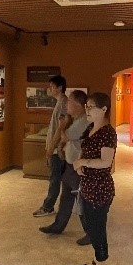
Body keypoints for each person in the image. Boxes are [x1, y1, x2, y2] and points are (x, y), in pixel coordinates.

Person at [73, 92, 117, 265]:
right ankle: (96, 260)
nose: (87, 110)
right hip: (88, 185)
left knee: (97, 230)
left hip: (100, 188)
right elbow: (84, 150)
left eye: (91, 107)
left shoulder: (108, 133)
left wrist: (82, 162)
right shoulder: (90, 128)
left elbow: (106, 162)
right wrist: (79, 163)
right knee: (90, 227)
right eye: (86, 106)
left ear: (104, 109)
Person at [39, 90, 91, 245]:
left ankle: (90, 232)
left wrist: (62, 125)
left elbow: (65, 136)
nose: (67, 105)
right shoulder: (77, 120)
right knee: (66, 197)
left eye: (70, 102)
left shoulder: (83, 121)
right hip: (71, 166)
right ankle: (58, 225)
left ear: (79, 105)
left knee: (81, 200)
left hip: (78, 168)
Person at [33, 75, 68, 217]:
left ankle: (48, 207)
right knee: (56, 178)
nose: (50, 89)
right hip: (55, 148)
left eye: (52, 86)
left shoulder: (63, 103)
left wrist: (52, 147)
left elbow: (60, 128)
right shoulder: (60, 102)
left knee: (55, 179)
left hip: (57, 150)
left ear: (59, 87)